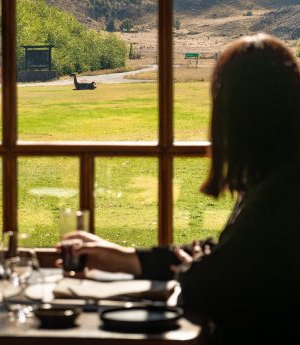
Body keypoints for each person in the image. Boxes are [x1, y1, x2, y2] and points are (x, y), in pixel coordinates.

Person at [63, 34, 300, 343]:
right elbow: (230, 257)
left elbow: (207, 288)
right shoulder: (276, 175)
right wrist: (126, 258)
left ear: (239, 117)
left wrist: (195, 270)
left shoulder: (282, 192)